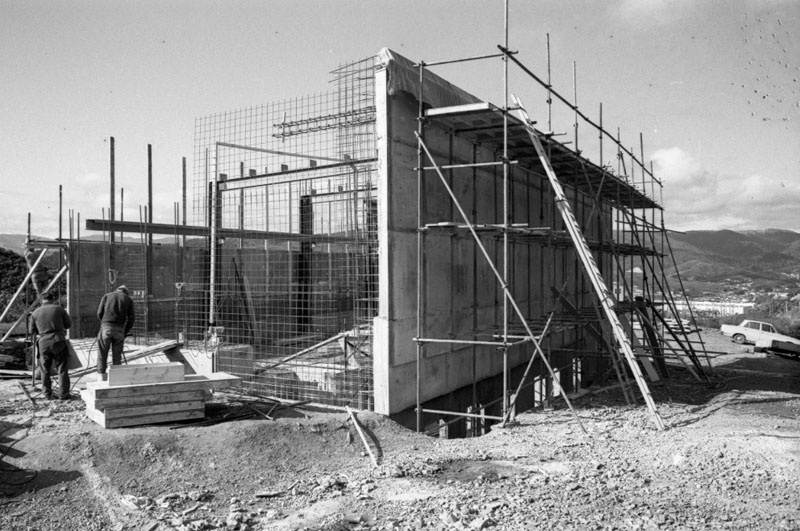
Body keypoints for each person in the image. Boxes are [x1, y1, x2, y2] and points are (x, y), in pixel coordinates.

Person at [30, 291, 72, 400]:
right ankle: (63, 394)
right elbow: (68, 325)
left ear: (41, 301)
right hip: (58, 340)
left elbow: (32, 331)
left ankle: (47, 394)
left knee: (45, 369)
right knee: (62, 368)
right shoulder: (59, 309)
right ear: (52, 299)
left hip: (43, 342)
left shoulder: (35, 312)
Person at [96, 285, 135, 381]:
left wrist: (105, 324)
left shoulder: (107, 296)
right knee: (117, 355)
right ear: (126, 292)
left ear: (117, 289)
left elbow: (99, 313)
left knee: (102, 353)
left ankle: (102, 377)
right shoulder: (128, 299)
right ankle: (116, 378)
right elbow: (131, 318)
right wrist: (125, 331)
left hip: (106, 328)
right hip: (119, 330)